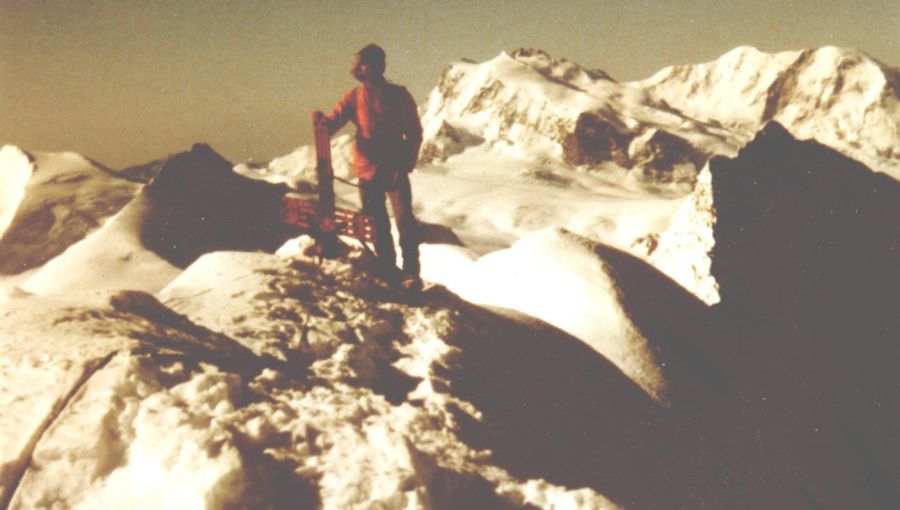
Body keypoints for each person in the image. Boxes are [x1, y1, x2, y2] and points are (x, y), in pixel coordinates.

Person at [313, 44, 423, 291]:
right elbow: (333, 123)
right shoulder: (353, 97)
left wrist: (404, 165)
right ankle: (388, 271)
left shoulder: (399, 95)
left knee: (405, 222)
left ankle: (410, 274)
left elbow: (414, 133)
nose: (370, 68)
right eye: (366, 64)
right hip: (368, 170)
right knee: (377, 224)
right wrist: (321, 124)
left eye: (375, 62)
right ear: (359, 68)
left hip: (395, 169)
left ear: (382, 65)